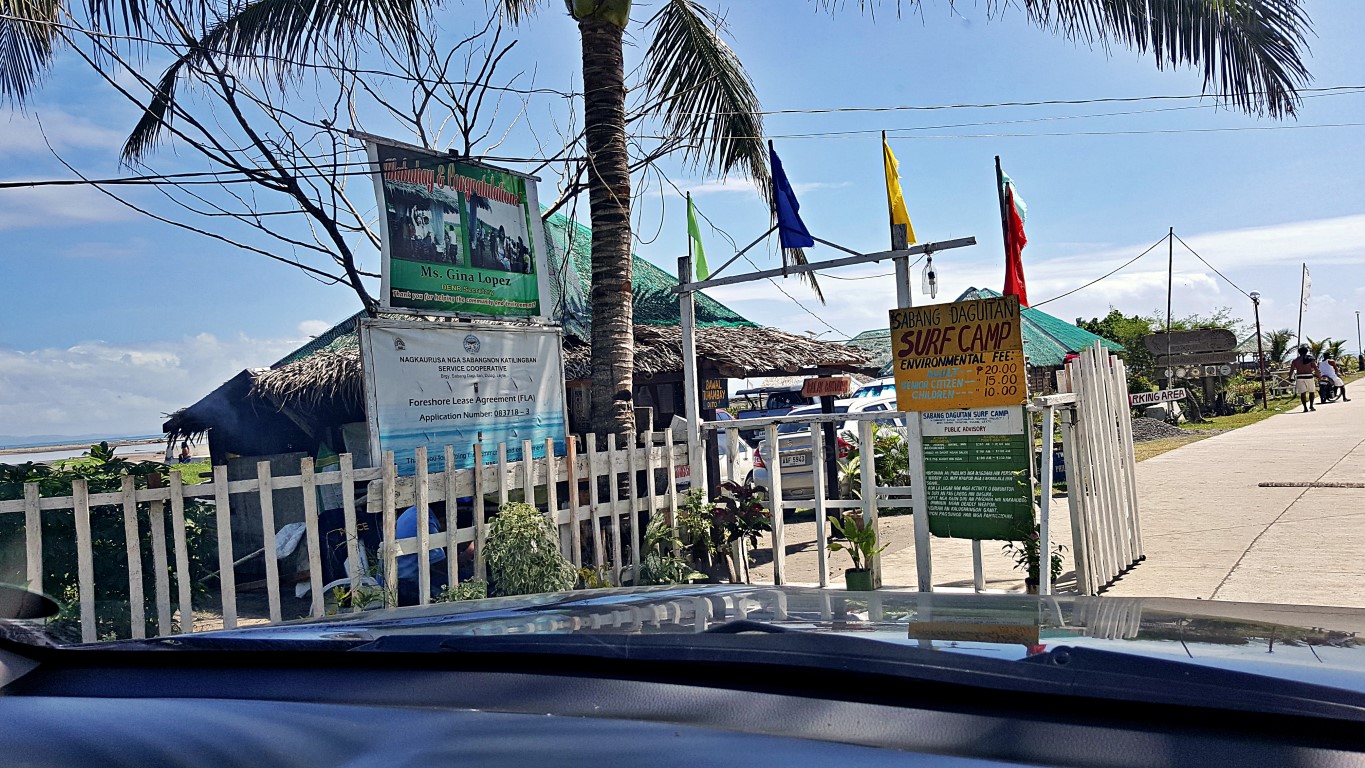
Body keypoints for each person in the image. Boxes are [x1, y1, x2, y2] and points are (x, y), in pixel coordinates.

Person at [1289, 345, 1320, 412]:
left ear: (1299, 352)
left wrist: (1289, 377)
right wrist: (1318, 375)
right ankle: (1311, 406)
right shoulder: (1310, 359)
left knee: (1302, 393)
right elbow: (1315, 368)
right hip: (1309, 376)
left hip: (1300, 376)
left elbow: (1291, 370)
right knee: (1311, 392)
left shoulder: (1295, 360)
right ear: (1306, 352)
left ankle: (1305, 408)